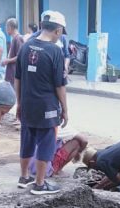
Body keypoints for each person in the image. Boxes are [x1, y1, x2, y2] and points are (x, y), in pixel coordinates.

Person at [15, 11, 68, 195]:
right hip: (47, 108)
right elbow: (60, 86)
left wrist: (19, 103)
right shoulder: (55, 51)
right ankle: (39, 183)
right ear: (58, 30)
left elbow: (18, 79)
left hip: (28, 105)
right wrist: (65, 110)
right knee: (46, 143)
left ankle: (24, 177)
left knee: (27, 140)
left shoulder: (25, 47)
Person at [1, 18, 24, 86]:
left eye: (6, 27)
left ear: (10, 27)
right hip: (11, 73)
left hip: (15, 73)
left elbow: (20, 56)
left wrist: (7, 61)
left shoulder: (18, 38)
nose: (6, 29)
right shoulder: (14, 39)